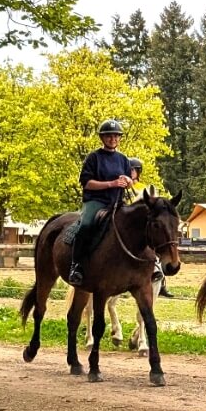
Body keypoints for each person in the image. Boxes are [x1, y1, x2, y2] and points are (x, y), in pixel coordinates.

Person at [68, 119, 132, 286]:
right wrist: (111, 183)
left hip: (117, 202)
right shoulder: (93, 157)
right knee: (86, 225)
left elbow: (130, 181)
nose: (113, 139)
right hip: (96, 201)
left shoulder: (123, 159)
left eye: (116, 136)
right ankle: (76, 266)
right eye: (109, 136)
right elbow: (87, 183)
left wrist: (127, 180)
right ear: (102, 138)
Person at [128, 157, 173, 297]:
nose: (131, 172)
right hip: (129, 222)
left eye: (134, 170)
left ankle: (159, 278)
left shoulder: (144, 189)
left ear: (138, 172)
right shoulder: (123, 187)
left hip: (142, 225)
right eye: (129, 170)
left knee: (155, 251)